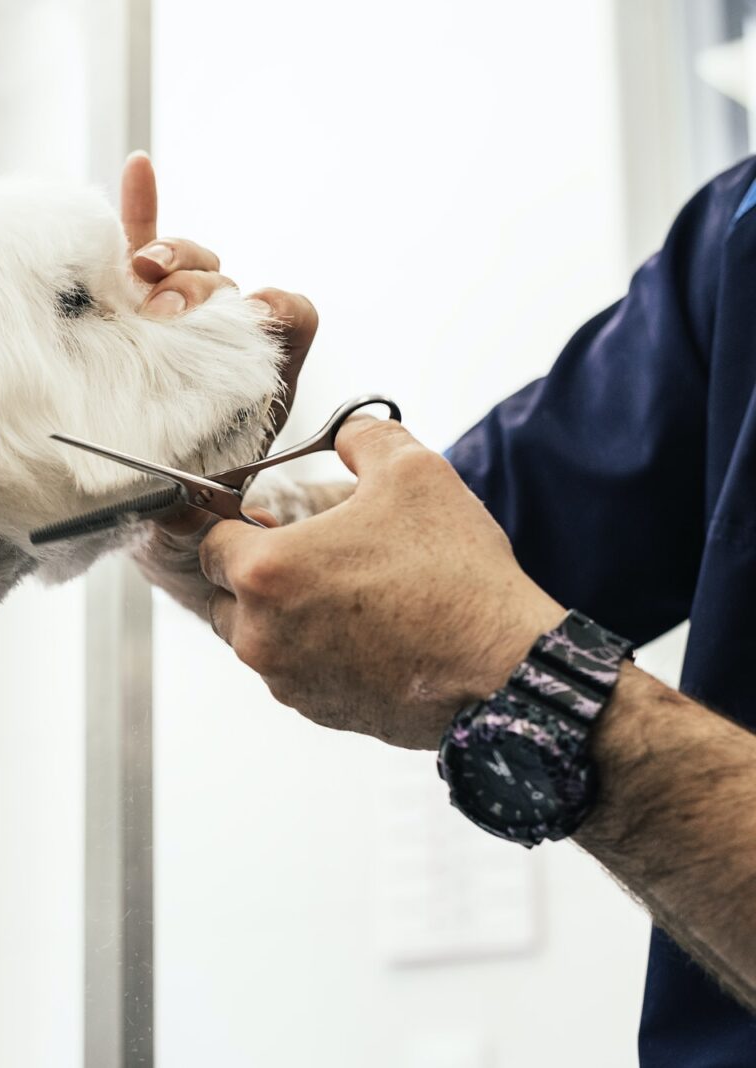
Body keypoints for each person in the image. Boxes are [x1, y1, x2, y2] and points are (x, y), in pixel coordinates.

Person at [119, 150, 756, 1064]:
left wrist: (536, 687)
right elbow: (374, 570)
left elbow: (469, 623)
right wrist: (190, 476)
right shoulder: (737, 237)